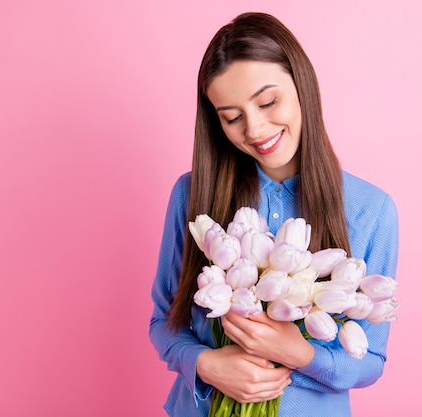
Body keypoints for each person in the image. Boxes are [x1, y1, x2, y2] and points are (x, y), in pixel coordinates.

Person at [149, 11, 398, 417]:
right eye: (232, 117)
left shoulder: (371, 209)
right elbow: (164, 320)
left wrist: (300, 354)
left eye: (268, 102)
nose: (256, 128)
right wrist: (205, 365)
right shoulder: (192, 195)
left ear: (302, 84)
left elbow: (372, 360)